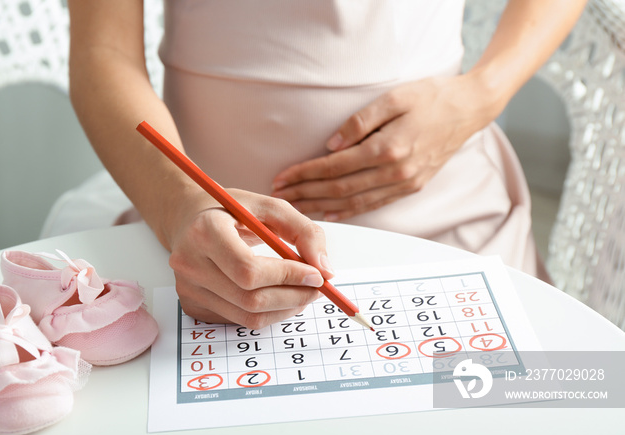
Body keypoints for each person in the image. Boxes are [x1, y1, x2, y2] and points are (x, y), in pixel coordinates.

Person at [67, 0, 588, 329]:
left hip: (443, 207)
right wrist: (180, 204)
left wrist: (481, 94)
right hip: (200, 233)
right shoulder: (187, 220)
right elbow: (102, 51)